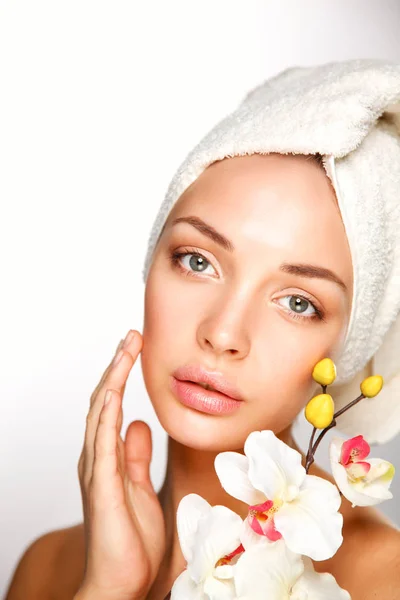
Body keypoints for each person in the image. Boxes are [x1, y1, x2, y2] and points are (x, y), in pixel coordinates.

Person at [5, 60, 400, 600]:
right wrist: (107, 589)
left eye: (298, 302)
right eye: (197, 261)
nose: (223, 332)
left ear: (348, 349)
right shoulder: (48, 568)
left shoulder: (382, 580)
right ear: (152, 263)